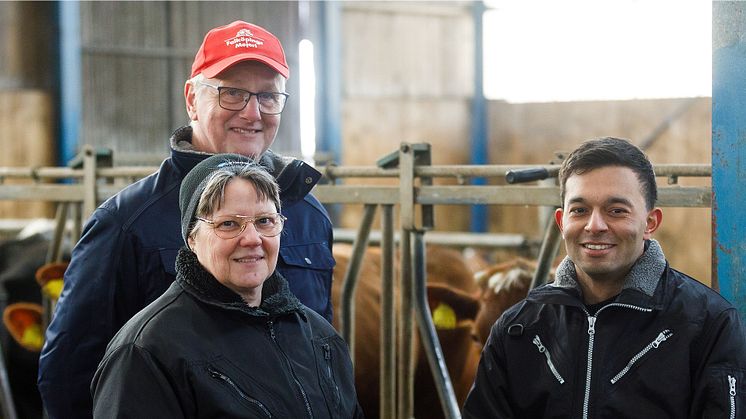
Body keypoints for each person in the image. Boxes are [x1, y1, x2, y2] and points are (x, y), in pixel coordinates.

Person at [39, 21, 335, 418]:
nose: (253, 112)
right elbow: (68, 375)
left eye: (268, 95)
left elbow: (323, 355)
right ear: (192, 99)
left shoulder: (307, 214)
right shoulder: (126, 222)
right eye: (232, 93)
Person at [463, 137, 746, 418]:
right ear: (562, 223)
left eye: (616, 211)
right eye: (580, 210)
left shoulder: (708, 325)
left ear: (650, 223)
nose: (594, 225)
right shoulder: (516, 330)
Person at [90, 154, 362, 418]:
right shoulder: (145, 353)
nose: (252, 239)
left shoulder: (320, 337)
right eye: (229, 224)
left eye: (265, 221)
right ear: (192, 238)